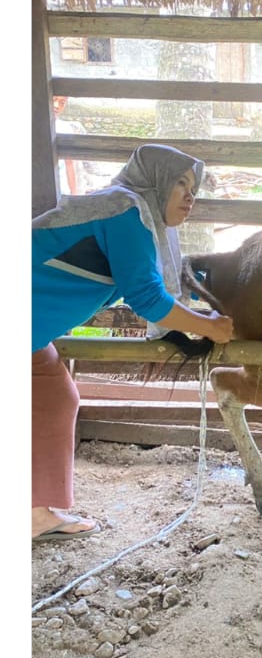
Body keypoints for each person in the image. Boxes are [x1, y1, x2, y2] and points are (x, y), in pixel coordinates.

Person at [32, 146, 235, 541]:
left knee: (53, 396)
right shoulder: (126, 211)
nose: (191, 197)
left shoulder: (125, 211)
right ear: (156, 182)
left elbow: (149, 292)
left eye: (194, 187)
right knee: (52, 397)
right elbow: (148, 300)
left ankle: (35, 513)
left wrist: (184, 327)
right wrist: (209, 328)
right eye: (181, 183)